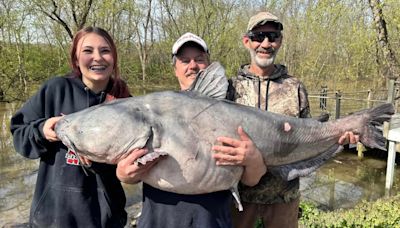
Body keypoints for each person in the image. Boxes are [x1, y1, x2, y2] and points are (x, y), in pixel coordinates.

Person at [214, 11, 358, 228]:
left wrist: (338, 140)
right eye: (258, 36)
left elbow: (310, 138)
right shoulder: (229, 89)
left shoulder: (295, 87)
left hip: (285, 200)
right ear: (247, 41)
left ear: (280, 41)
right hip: (239, 202)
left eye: (272, 36)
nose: (265, 43)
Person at [116, 32, 266, 228]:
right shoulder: (149, 113)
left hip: (213, 222)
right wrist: (123, 175)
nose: (192, 65)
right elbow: (127, 173)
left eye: (199, 59)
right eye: (185, 60)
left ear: (209, 64)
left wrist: (254, 159)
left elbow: (251, 180)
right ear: (175, 69)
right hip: (158, 222)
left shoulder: (234, 115)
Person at [10, 26, 130, 228]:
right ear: (76, 59)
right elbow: (19, 133)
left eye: (105, 51)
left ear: (114, 58)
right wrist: (42, 130)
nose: (98, 57)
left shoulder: (125, 103)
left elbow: (131, 163)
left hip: (104, 219)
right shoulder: (55, 90)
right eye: (88, 51)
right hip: (53, 218)